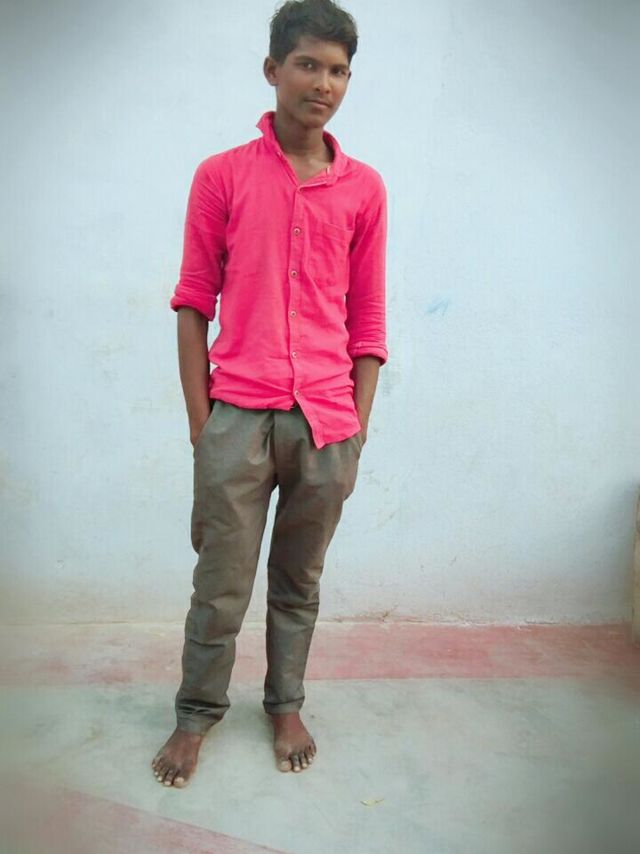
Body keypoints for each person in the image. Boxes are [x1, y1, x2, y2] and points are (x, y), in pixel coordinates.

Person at [152, 0, 387, 787]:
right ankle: (196, 715)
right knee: (219, 585)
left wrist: (356, 431)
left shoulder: (364, 190)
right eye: (308, 65)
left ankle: (285, 704)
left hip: (325, 423)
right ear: (273, 70)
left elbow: (368, 321)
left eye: (339, 70)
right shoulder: (222, 176)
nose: (324, 83)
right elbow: (194, 302)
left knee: (299, 583)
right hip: (238, 419)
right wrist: (203, 426)